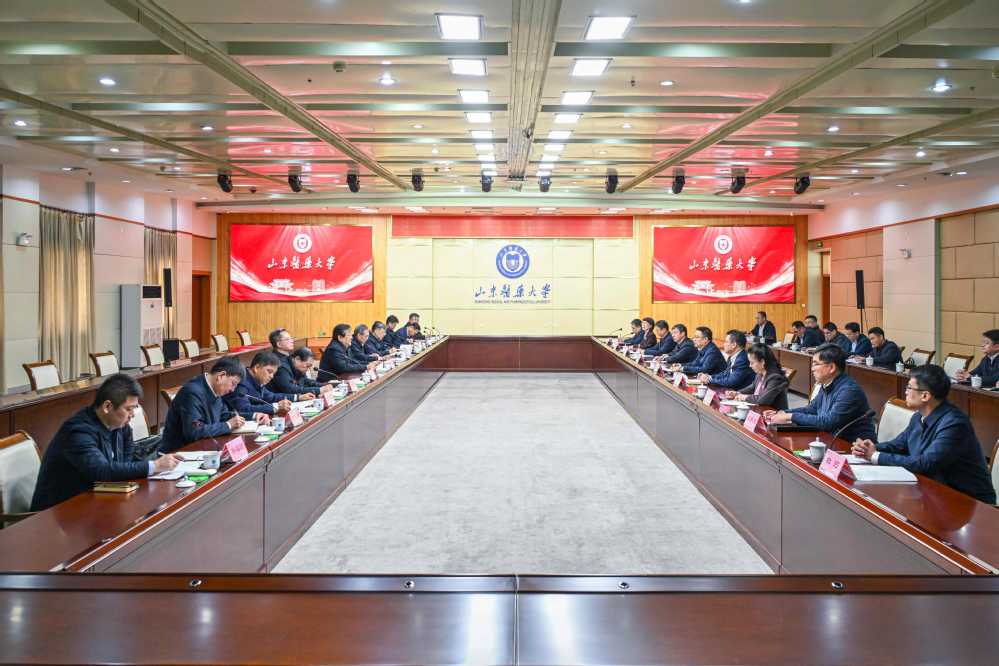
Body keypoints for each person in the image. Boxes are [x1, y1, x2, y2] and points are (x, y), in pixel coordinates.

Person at [30, 374, 183, 511]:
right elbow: (101, 471)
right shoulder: (78, 432)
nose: (132, 415)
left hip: (98, 501)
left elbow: (126, 465)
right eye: (128, 409)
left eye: (134, 409)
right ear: (107, 406)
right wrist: (154, 466)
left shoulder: (121, 426)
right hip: (57, 514)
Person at [851, 365, 995, 504]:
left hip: (969, 501)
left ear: (925, 396)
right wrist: (869, 448)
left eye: (909, 387)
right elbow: (898, 445)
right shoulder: (918, 416)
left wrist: (875, 455)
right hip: (934, 492)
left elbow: (926, 463)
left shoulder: (954, 424)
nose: (905, 392)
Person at [765, 343, 876, 442]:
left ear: (831, 367)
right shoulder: (827, 384)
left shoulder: (849, 391)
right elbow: (811, 410)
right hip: (832, 441)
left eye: (816, 364)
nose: (812, 369)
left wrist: (790, 416)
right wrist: (782, 413)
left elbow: (828, 422)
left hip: (855, 447)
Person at [160, 357, 247, 452]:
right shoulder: (192, 392)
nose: (233, 389)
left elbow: (224, 415)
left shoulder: (215, 388)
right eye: (233, 383)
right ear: (221, 376)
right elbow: (194, 431)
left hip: (205, 447)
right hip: (178, 453)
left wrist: (253, 416)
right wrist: (228, 425)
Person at [223, 352, 296, 423]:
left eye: (273, 373)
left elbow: (271, 397)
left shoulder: (256, 379)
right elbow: (244, 409)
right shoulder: (241, 382)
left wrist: (297, 397)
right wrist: (276, 407)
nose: (272, 376)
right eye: (269, 372)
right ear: (256, 368)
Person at [725, 343, 790, 410]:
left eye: (752, 363)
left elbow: (763, 400)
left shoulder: (776, 378)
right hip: (760, 410)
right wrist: (737, 393)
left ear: (762, 362)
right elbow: (752, 387)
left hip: (773, 413)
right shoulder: (761, 373)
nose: (750, 366)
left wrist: (743, 397)